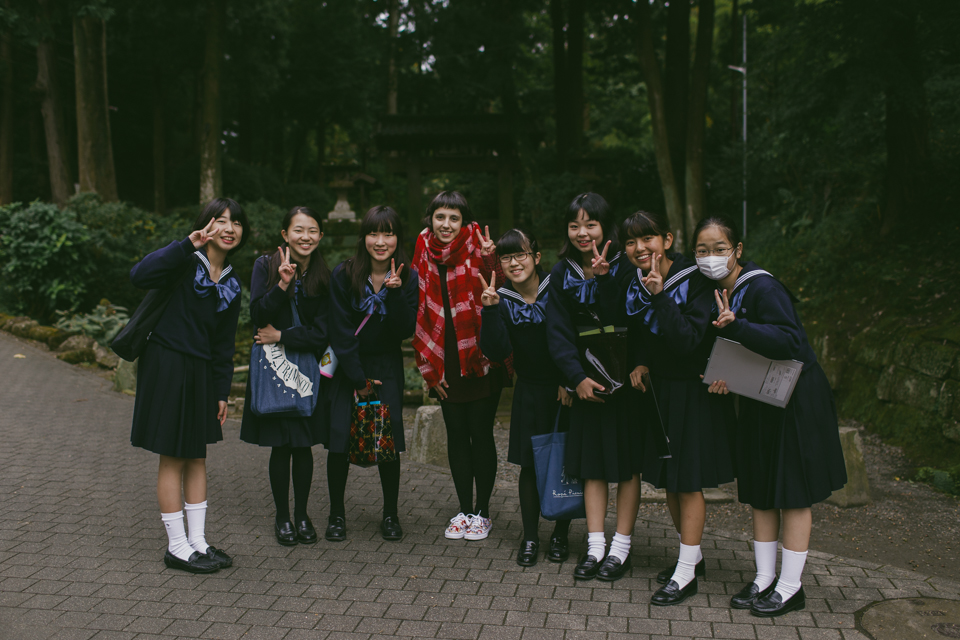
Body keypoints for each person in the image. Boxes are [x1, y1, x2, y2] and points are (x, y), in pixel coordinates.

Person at [695, 215, 847, 617]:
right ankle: (763, 578)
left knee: (792, 492)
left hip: (795, 398)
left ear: (738, 250)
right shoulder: (715, 292)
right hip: (759, 397)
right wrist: (721, 374)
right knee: (761, 489)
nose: (711, 257)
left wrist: (739, 326)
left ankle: (791, 585)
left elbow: (790, 340)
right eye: (702, 250)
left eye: (719, 249)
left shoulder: (762, 286)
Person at [615, 210, 736, 605]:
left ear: (666, 239)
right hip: (660, 389)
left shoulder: (695, 278)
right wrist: (642, 361)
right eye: (630, 242)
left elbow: (686, 339)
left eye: (646, 239)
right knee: (669, 477)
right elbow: (648, 332)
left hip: (693, 389)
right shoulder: (636, 281)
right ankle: (693, 557)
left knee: (687, 481)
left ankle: (685, 575)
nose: (639, 248)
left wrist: (660, 294)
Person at [129, 197, 248, 573]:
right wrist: (186, 243)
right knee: (174, 454)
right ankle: (176, 546)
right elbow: (139, 276)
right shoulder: (184, 261)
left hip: (200, 372)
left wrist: (220, 391)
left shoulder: (231, 281)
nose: (230, 229)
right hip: (167, 364)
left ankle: (198, 541)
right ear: (207, 226)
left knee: (197, 454)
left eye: (237, 223)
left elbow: (223, 344)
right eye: (222, 221)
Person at [545, 192, 643, 582]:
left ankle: (621, 549)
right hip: (587, 382)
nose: (582, 233)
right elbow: (557, 333)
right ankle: (595, 546)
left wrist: (604, 279)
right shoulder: (561, 273)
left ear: (607, 226)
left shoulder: (627, 268)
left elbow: (634, 318)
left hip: (628, 382)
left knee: (627, 467)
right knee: (592, 468)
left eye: (591, 224)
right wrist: (574, 377)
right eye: (575, 225)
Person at [412, 190, 505, 541]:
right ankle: (464, 510)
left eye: (454, 218)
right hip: (444, 356)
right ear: (430, 219)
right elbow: (421, 306)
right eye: (440, 217)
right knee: (456, 435)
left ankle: (483, 513)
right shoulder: (422, 249)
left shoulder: (479, 248)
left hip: (480, 354)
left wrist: (491, 259)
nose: (446, 225)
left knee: (480, 434)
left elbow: (501, 287)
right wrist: (428, 368)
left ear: (464, 221)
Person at [478, 228, 573, 567]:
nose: (514, 262)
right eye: (506, 257)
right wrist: (489, 311)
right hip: (530, 389)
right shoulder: (500, 298)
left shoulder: (558, 288)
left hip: (565, 388)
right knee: (531, 466)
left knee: (567, 462)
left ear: (536, 257)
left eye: (520, 254)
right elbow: (497, 350)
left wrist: (570, 380)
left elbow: (575, 337)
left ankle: (561, 534)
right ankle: (531, 536)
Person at [325, 205, 418, 542]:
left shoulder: (408, 276)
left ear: (398, 238)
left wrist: (394, 293)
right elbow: (339, 331)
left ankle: (390, 514)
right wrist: (358, 379)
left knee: (387, 443)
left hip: (386, 366)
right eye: (374, 233)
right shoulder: (343, 274)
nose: (381, 241)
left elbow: (404, 329)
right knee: (339, 442)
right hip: (349, 366)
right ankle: (336, 514)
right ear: (363, 237)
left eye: (388, 233)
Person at [239, 206, 331, 547]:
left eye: (312, 231)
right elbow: (256, 315)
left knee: (303, 447)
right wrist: (282, 283)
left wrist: (282, 336)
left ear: (320, 236)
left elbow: (322, 333)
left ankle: (303, 514)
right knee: (280, 447)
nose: (305, 237)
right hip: (275, 371)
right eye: (298, 230)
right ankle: (283, 517)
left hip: (305, 374)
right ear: (285, 234)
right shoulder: (266, 265)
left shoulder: (324, 274)